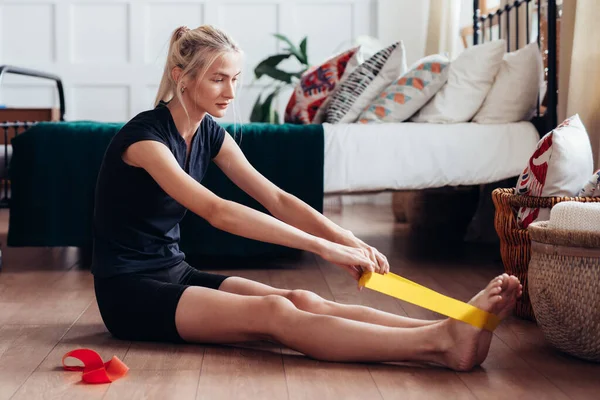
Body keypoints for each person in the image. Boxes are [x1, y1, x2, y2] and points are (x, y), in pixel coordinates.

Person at [91, 25, 522, 372]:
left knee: (302, 299)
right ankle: (438, 346)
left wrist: (347, 237)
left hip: (175, 271)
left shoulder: (208, 133)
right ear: (183, 77)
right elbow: (216, 210)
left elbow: (276, 198)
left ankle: (449, 327)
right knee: (276, 314)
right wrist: (323, 248)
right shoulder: (145, 140)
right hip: (129, 292)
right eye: (218, 79)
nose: (231, 92)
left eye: (235, 78)